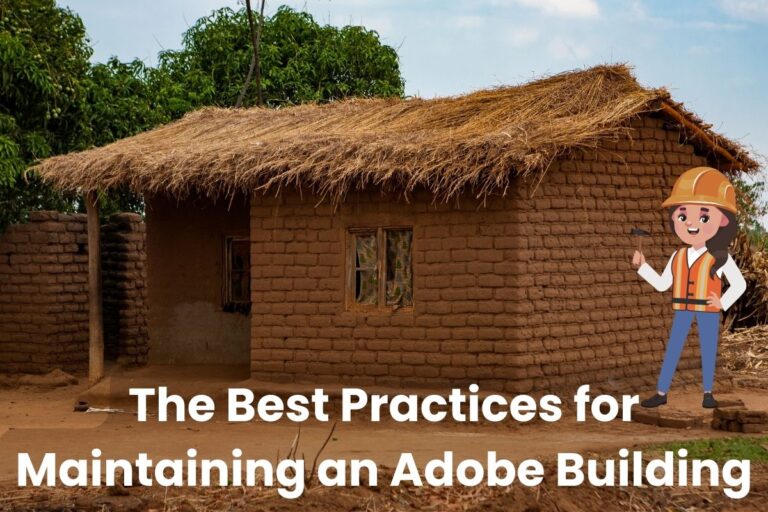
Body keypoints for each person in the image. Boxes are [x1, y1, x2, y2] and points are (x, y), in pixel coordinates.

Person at [632, 167, 746, 409]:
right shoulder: (678, 255)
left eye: (704, 218)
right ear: (675, 218)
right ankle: (662, 392)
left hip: (707, 309)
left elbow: (739, 283)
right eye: (683, 216)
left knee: (707, 350)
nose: (692, 224)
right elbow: (664, 284)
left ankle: (707, 393)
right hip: (683, 307)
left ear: (722, 221)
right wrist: (643, 267)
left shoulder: (720, 256)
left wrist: (722, 302)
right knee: (673, 349)